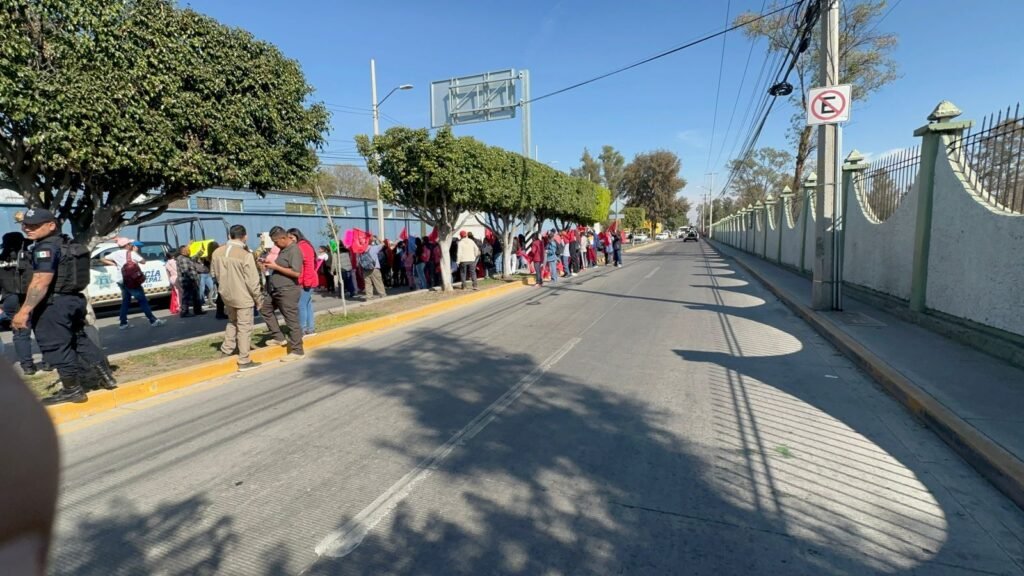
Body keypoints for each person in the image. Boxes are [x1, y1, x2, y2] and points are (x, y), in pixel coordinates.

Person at [12, 208, 116, 404]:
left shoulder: (45, 248)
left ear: (51, 225)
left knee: (57, 346)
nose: (27, 228)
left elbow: (41, 281)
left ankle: (72, 390)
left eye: (34, 225)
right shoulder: (67, 243)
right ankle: (106, 377)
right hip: (72, 301)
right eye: (25, 225)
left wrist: (23, 311)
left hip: (54, 304)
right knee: (79, 339)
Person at [211, 224, 263, 371]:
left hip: (226, 295)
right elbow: (252, 281)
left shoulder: (217, 252)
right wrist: (258, 299)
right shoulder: (245, 255)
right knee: (245, 327)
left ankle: (226, 350)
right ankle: (244, 359)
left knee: (232, 322)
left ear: (229, 236)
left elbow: (213, 274)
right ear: (245, 237)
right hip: (243, 296)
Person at [0, 232, 44, 374]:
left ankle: (27, 366)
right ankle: (49, 361)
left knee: (20, 333)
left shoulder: (1, 260)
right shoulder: (30, 257)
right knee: (41, 329)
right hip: (31, 297)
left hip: (9, 298)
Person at [259, 226, 304, 361]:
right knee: (265, 308)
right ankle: (278, 337)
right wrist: (268, 264)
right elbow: (281, 267)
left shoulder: (294, 250)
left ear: (284, 238)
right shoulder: (283, 250)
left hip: (288, 291)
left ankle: (297, 351)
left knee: (291, 320)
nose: (275, 244)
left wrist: (276, 267)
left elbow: (296, 272)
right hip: (276, 290)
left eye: (276, 241)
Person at [100, 239, 166, 329]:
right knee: (142, 300)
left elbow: (102, 258)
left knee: (126, 301)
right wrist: (135, 252)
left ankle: (123, 323)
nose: (132, 245)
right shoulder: (132, 253)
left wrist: (113, 264)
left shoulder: (115, 254)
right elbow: (143, 261)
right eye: (130, 244)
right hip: (132, 280)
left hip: (121, 280)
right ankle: (153, 320)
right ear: (127, 245)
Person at [287, 228, 318, 336]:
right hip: (305, 280)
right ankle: (310, 328)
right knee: (307, 304)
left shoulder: (303, 246)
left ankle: (302, 329)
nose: (290, 240)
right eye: (288, 238)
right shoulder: (300, 246)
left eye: (292, 237)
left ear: (297, 236)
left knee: (301, 305)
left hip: (306, 281)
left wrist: (307, 282)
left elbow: (309, 265)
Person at [175, 245, 204, 317]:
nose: (189, 251)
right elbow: (186, 271)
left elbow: (194, 257)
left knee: (195, 295)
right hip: (188, 280)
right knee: (187, 296)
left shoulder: (186, 258)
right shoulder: (183, 259)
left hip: (191, 280)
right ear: (183, 251)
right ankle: (184, 312)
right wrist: (193, 279)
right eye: (188, 250)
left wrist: (201, 251)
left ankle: (197, 310)